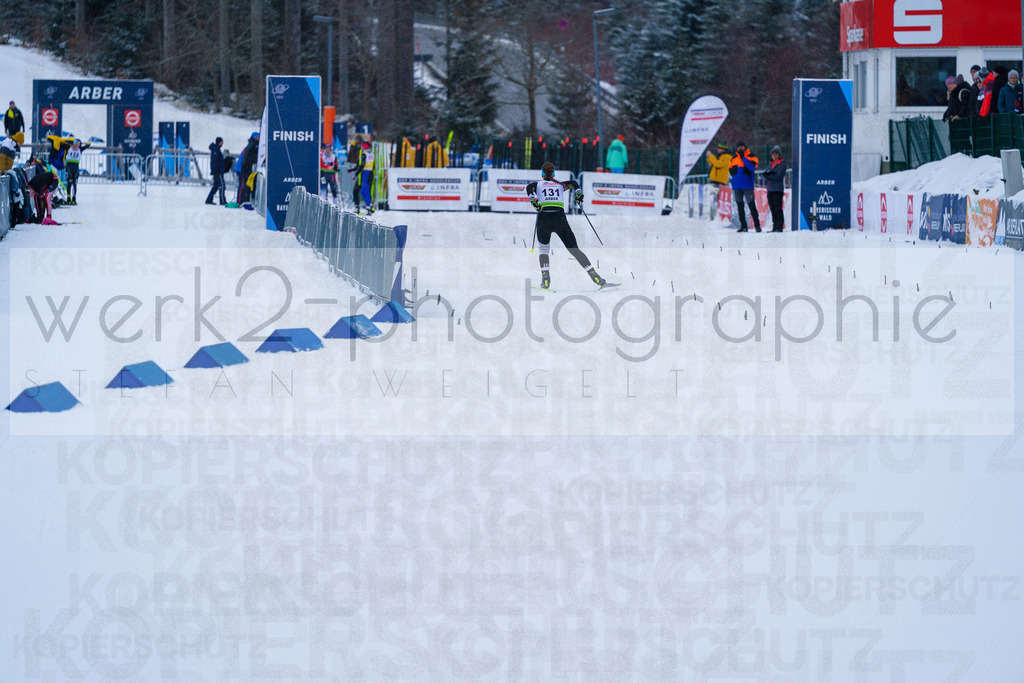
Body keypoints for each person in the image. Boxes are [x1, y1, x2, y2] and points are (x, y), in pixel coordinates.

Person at [526, 162, 611, 290]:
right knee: (574, 249)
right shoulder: (561, 185)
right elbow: (573, 183)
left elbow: (529, 188)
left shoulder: (537, 184)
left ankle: (546, 280)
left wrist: (533, 201)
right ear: (553, 173)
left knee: (544, 251)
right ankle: (595, 276)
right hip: (559, 219)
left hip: (544, 219)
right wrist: (578, 193)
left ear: (542, 173)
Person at [729, 142, 760, 232]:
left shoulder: (752, 156)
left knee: (751, 205)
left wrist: (743, 158)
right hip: (737, 186)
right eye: (739, 147)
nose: (740, 148)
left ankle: (757, 225)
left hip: (747, 185)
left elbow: (752, 167)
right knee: (740, 207)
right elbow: (731, 170)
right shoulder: (733, 158)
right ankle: (743, 226)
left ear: (745, 147)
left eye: (742, 147)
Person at [762, 146, 787, 232]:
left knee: (778, 208)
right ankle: (775, 226)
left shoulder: (782, 164)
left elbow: (779, 176)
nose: (774, 156)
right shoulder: (770, 163)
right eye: (773, 154)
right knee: (772, 209)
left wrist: (769, 176)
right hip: (770, 189)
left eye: (776, 154)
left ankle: (779, 226)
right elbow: (769, 173)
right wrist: (768, 175)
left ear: (779, 155)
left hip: (777, 189)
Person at [705, 142, 732, 219]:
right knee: (713, 199)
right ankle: (713, 215)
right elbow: (714, 165)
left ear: (723, 149)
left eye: (719, 148)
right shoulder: (722, 156)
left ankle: (718, 216)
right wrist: (709, 158)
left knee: (717, 199)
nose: (717, 149)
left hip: (719, 181)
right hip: (715, 180)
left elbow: (718, 164)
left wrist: (711, 156)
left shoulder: (727, 157)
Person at [63, 138, 91, 205]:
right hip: (69, 167)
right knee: (69, 183)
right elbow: (63, 143)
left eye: (77, 144)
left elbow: (88, 144)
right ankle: (68, 199)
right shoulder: (69, 148)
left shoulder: (80, 149)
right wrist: (70, 141)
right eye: (74, 144)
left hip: (76, 167)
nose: (75, 146)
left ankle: (74, 199)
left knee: (74, 184)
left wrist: (82, 143)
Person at [237, 131, 259, 205]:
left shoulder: (251, 144)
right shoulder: (252, 145)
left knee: (245, 185)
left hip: (244, 167)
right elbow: (246, 157)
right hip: (242, 168)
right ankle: (240, 201)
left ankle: (243, 201)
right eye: (257, 137)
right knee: (242, 185)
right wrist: (245, 167)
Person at [356, 136, 375, 215]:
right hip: (370, 173)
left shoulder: (364, 154)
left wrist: (356, 173)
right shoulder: (371, 154)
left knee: (364, 191)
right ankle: (370, 206)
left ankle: (368, 207)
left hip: (365, 174)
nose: (361, 148)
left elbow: (362, 165)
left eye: (362, 147)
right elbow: (373, 166)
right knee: (366, 191)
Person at [206, 137, 226, 205]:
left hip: (217, 171)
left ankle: (209, 199)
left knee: (216, 186)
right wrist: (216, 171)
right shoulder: (216, 151)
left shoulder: (216, 150)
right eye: (222, 142)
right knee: (222, 186)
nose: (222, 143)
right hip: (218, 172)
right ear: (219, 142)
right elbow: (214, 162)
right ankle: (222, 201)